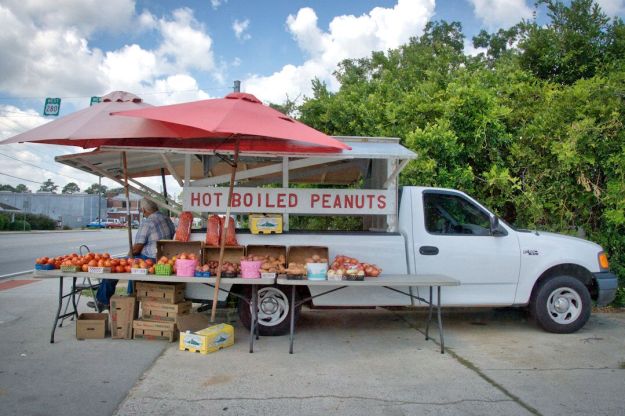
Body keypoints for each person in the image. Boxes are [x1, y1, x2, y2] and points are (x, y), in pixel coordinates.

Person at [91, 198, 175, 310]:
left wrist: (127, 257)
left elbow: (136, 248)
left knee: (114, 267)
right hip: (165, 259)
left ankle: (103, 300)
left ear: (144, 210)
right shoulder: (167, 218)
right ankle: (130, 295)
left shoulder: (148, 222)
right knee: (131, 266)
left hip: (150, 259)